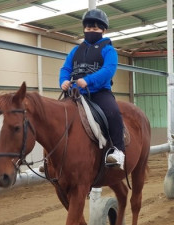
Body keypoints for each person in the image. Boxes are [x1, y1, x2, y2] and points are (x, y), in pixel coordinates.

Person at [59, 9, 125, 170]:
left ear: (103, 30)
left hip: (99, 93)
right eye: (88, 28)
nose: (91, 31)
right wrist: (64, 81)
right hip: (74, 94)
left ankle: (118, 151)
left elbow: (108, 70)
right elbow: (66, 68)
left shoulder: (108, 50)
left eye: (95, 29)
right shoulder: (75, 51)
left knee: (113, 113)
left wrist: (88, 81)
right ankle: (53, 156)